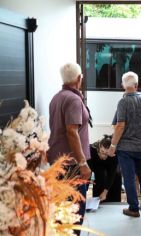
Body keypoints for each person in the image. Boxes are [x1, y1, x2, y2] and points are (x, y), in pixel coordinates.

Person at [47, 62, 91, 235]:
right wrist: (82, 163)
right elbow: (72, 132)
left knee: (62, 208)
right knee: (74, 210)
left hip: (58, 160)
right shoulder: (73, 99)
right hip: (72, 164)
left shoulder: (57, 97)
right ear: (79, 78)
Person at [108, 71, 141, 218]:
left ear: (123, 86)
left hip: (126, 148)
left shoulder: (123, 102)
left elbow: (120, 125)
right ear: (137, 85)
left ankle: (133, 208)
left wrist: (112, 146)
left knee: (129, 178)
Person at [87, 135, 122, 202]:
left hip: (109, 164)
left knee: (117, 175)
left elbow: (112, 173)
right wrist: (84, 189)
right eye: (102, 152)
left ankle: (114, 201)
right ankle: (97, 200)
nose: (103, 156)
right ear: (99, 147)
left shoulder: (114, 154)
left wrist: (105, 192)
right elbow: (88, 171)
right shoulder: (91, 150)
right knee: (100, 175)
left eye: (106, 153)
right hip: (95, 164)